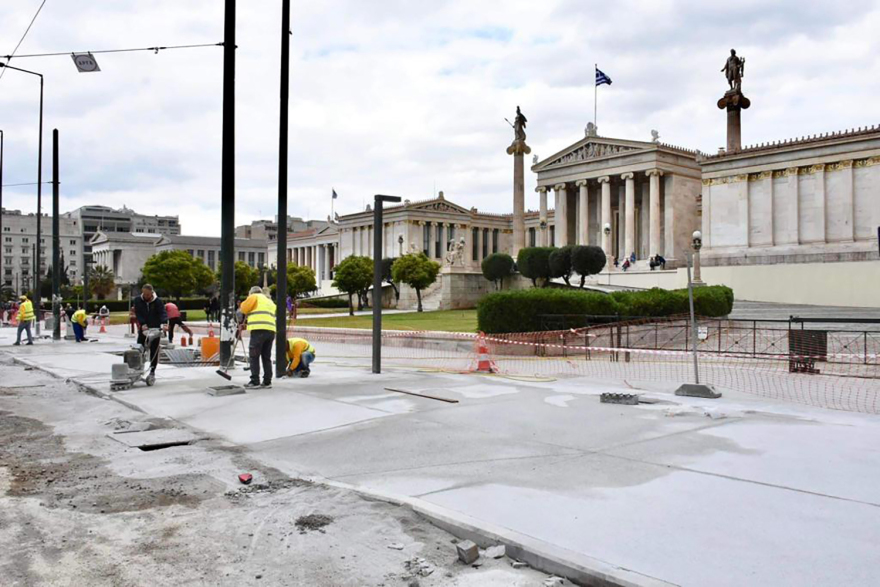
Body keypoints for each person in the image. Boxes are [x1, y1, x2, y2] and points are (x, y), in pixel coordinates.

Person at [240, 285, 276, 389]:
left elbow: (243, 308)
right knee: (266, 356)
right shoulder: (269, 301)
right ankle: (267, 381)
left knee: (254, 356)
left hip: (259, 330)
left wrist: (248, 298)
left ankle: (255, 381)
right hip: (271, 331)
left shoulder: (254, 297)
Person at [133, 284, 168, 379]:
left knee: (154, 349)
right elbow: (138, 313)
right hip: (144, 328)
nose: (146, 296)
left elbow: (162, 312)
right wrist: (142, 323)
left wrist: (164, 323)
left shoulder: (157, 301)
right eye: (144, 294)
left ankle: (152, 370)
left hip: (155, 328)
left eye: (148, 295)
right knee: (139, 347)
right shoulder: (138, 300)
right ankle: (137, 368)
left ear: (152, 293)